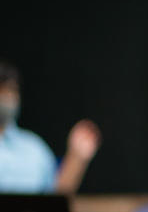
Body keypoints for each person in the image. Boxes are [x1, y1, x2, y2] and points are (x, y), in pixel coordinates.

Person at [0, 60, 100, 193]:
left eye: (11, 90)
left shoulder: (34, 150)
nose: (6, 97)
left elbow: (54, 197)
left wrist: (76, 158)